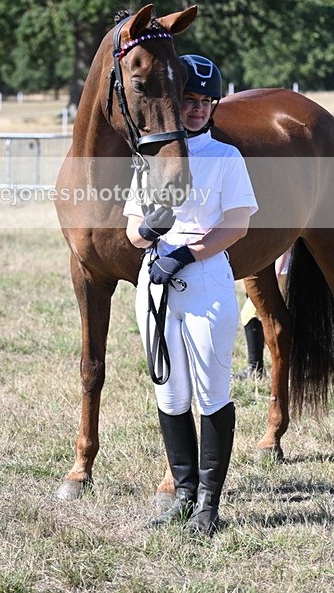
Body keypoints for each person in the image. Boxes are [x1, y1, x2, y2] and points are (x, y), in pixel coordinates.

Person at [124, 54, 258, 535]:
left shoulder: (226, 157)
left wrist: (184, 254)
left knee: (211, 391)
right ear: (173, 103)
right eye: (189, 100)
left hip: (205, 280)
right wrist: (149, 227)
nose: (198, 109)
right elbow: (132, 233)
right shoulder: (150, 159)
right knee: (170, 390)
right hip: (155, 284)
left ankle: (208, 504)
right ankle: (182, 495)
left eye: (206, 101)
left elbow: (237, 225)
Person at [233, 249, 292, 380]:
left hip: (280, 272)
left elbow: (286, 242)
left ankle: (255, 368)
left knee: (249, 314)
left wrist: (277, 273)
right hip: (282, 270)